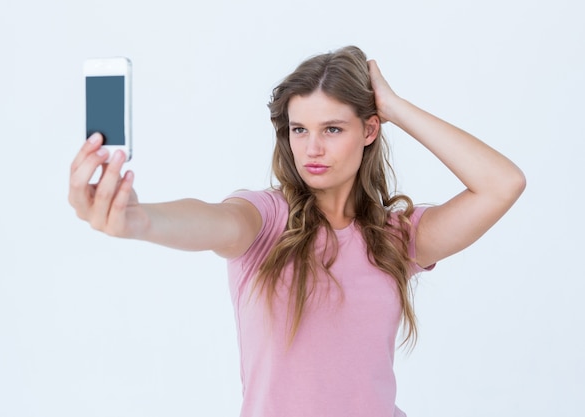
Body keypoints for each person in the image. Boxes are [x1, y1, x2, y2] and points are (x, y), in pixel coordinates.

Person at [69, 46, 525, 417]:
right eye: (298, 129)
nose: (313, 148)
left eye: (332, 128)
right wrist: (138, 219)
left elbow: (502, 184)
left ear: (369, 130)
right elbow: (209, 221)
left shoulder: (396, 237)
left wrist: (396, 108)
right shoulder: (265, 220)